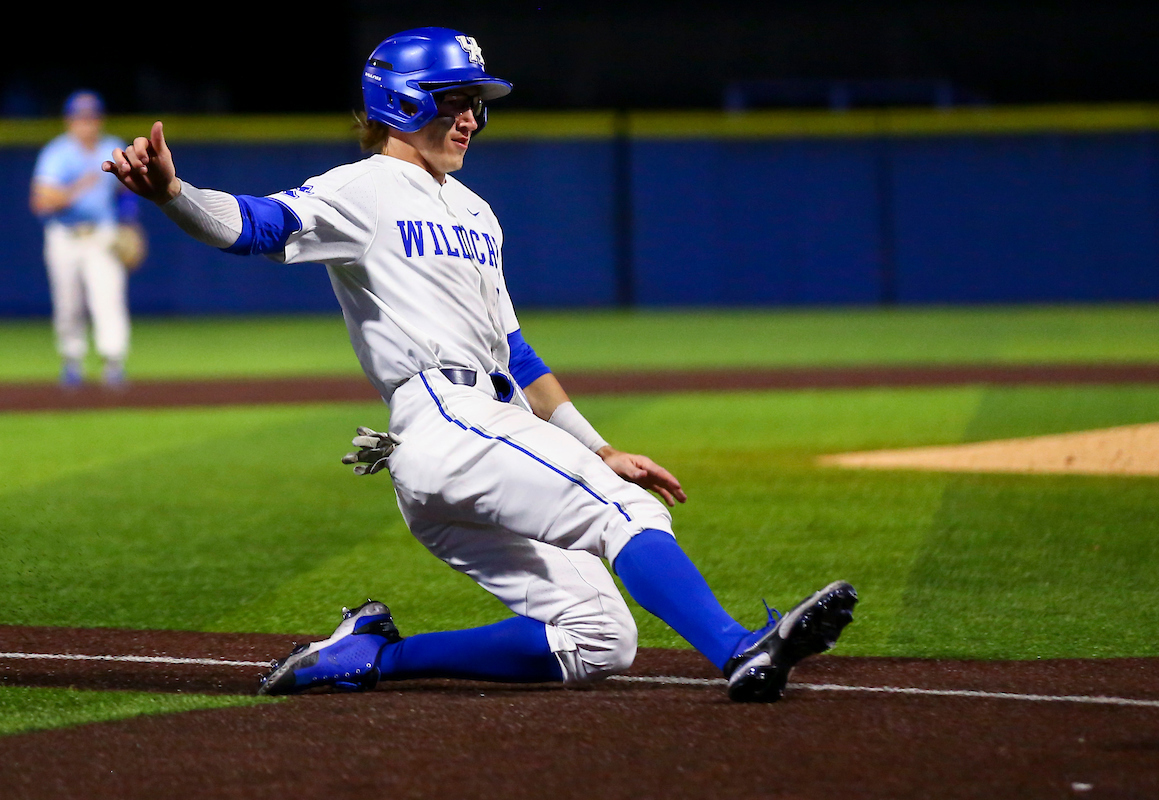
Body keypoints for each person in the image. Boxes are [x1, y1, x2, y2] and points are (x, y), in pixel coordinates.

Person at [102, 27, 857, 703]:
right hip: (445, 420)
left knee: (600, 638)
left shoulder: (476, 212)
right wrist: (173, 194)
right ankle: (738, 649)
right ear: (401, 101)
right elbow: (259, 224)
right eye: (455, 100)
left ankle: (371, 657)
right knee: (626, 513)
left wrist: (598, 448)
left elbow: (516, 353)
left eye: (476, 104)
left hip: (478, 431)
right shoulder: (364, 187)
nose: (471, 118)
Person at [31, 89, 137, 388]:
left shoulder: (112, 147)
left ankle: (113, 363)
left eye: (91, 117)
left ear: (100, 119)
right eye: (80, 118)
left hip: (102, 234)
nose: (86, 123)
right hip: (64, 236)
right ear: (69, 121)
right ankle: (72, 361)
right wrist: (76, 189)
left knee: (109, 299)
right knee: (68, 305)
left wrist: (130, 224)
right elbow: (41, 202)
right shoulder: (57, 153)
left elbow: (126, 192)